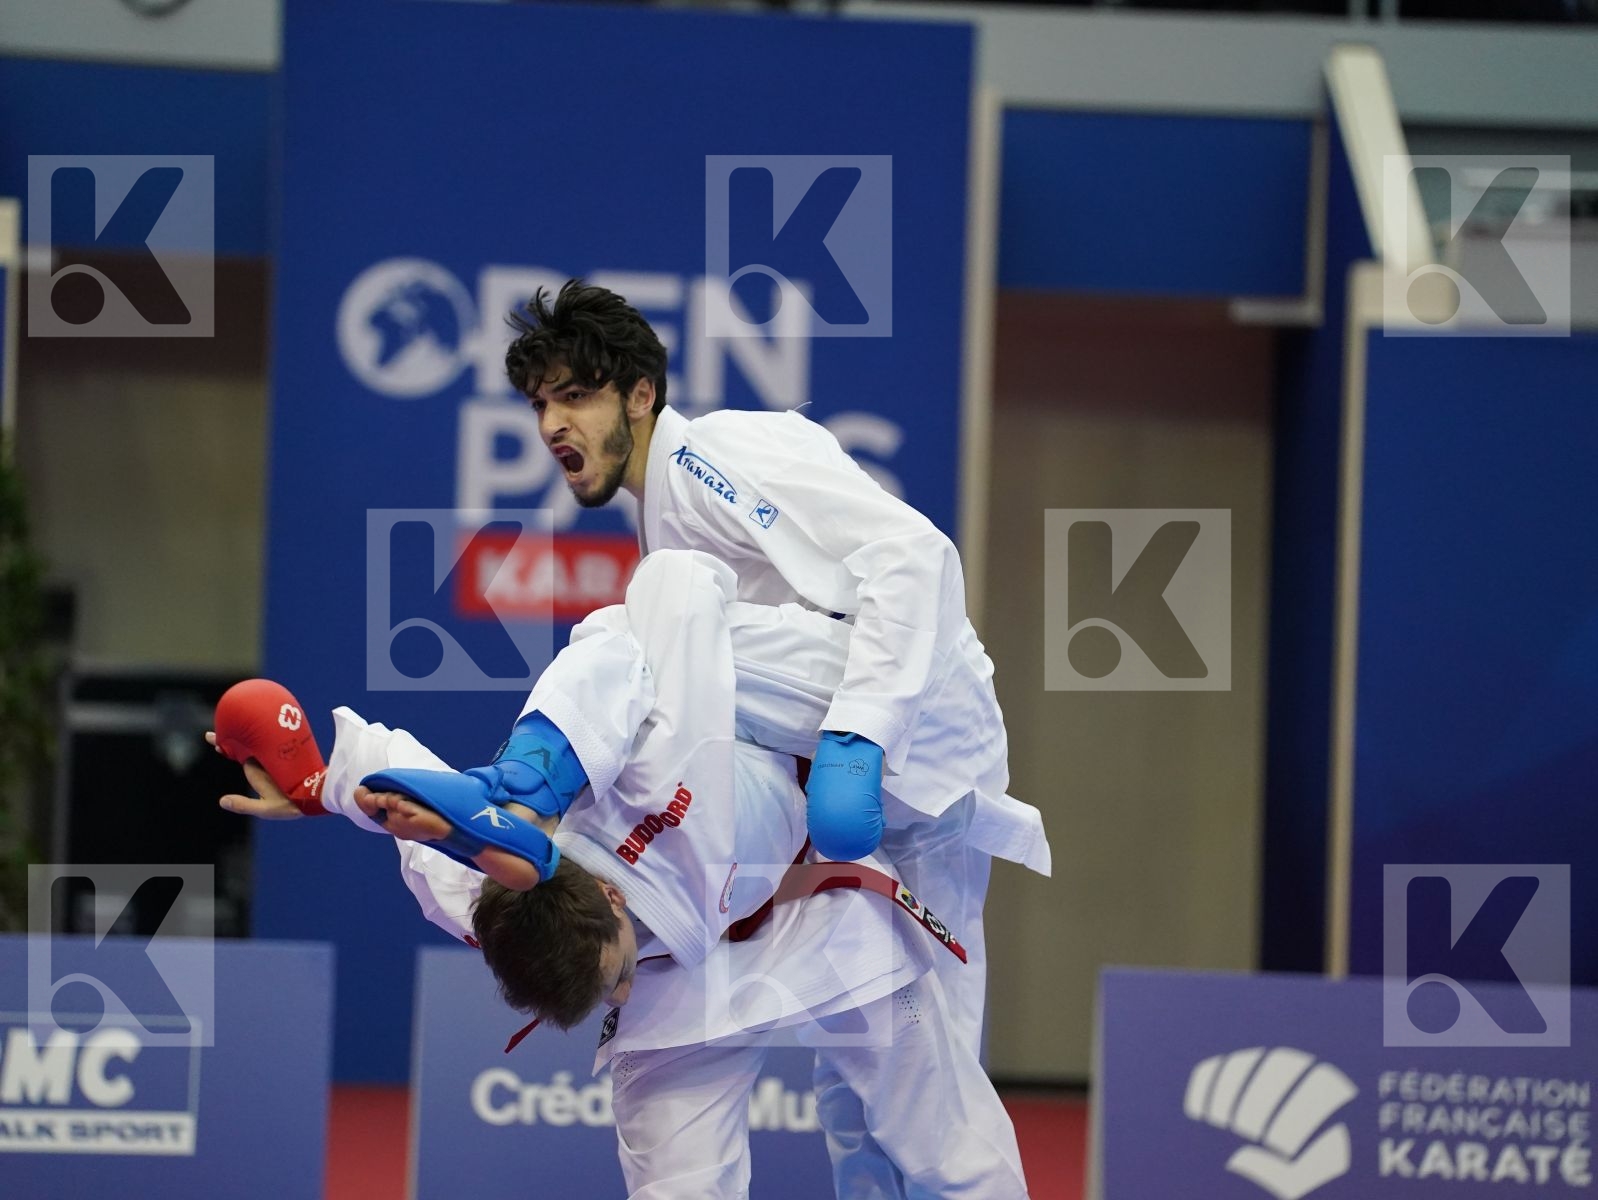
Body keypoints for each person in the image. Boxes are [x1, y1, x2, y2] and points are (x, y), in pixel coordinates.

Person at [216, 550, 1033, 1198]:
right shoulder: (485, 904)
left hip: (808, 928)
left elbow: (675, 582)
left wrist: (546, 759)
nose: (615, 992)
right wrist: (319, 786)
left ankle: (533, 773)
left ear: (605, 895)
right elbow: (403, 772)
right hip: (676, 1015)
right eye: (611, 992)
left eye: (612, 974)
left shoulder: (675, 774)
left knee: (947, 1143)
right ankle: (529, 785)